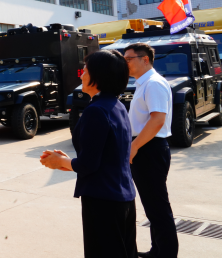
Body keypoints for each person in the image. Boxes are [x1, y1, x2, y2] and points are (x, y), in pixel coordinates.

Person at [40, 50, 136, 258]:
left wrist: (61, 161)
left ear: (98, 77)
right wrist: (64, 162)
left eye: (85, 70)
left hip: (103, 201)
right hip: (123, 197)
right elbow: (106, 156)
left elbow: (88, 164)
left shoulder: (96, 110)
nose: (81, 75)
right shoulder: (117, 106)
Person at [124, 43, 179, 258]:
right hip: (146, 147)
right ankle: (158, 250)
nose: (125, 63)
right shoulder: (143, 83)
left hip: (149, 147)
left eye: (128, 58)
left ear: (144, 59)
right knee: (153, 207)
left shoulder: (154, 84)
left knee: (158, 208)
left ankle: (165, 254)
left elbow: (157, 120)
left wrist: (134, 147)